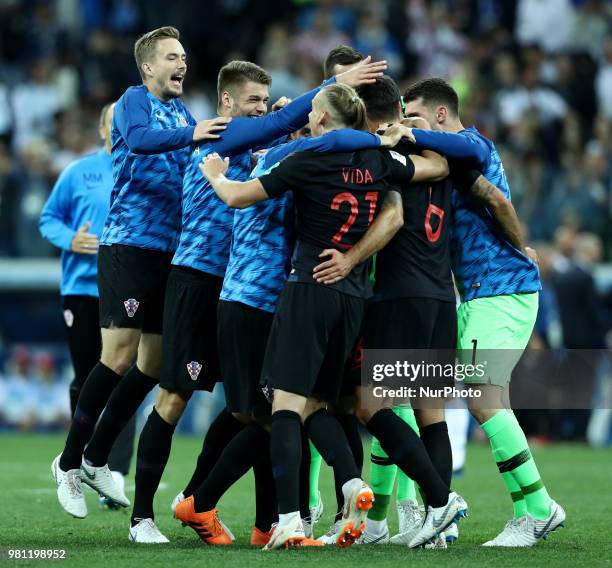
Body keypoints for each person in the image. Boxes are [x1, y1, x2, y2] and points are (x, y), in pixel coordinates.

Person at [117, 57, 389, 543]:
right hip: (208, 285)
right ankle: (151, 514)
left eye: (266, 102)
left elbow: (292, 140)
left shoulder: (287, 153)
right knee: (184, 398)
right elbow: (261, 167)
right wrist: (325, 102)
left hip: (263, 299)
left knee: (266, 412)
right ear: (227, 103)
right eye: (255, 102)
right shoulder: (224, 142)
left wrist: (311, 130)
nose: (265, 110)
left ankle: (262, 518)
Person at [199, 83, 467, 550]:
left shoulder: (307, 157)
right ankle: (416, 495)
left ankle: (290, 520)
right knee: (323, 404)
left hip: (309, 287)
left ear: (321, 119)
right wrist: (396, 139)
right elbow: (438, 165)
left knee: (285, 405)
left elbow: (239, 197)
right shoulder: (378, 161)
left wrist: (216, 174)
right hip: (354, 297)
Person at [174, 121, 407, 547]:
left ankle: (275, 515)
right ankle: (209, 503)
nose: (306, 128)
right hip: (250, 303)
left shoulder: (299, 160)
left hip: (281, 303)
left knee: (293, 411)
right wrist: (383, 141)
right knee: (264, 415)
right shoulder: (289, 158)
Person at [51, 25, 229, 521]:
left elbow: (203, 149)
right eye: (172, 56)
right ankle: (67, 463)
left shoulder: (182, 111)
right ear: (149, 66)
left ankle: (94, 456)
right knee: (117, 356)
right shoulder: (134, 102)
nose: (182, 64)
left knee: (151, 366)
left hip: (168, 252)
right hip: (128, 244)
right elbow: (141, 140)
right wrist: (195, 132)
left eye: (185, 56)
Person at [403, 77, 566, 547]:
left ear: (438, 115)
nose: (408, 125)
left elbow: (497, 199)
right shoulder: (448, 164)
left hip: (502, 286)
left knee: (482, 394)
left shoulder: (472, 144)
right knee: (459, 396)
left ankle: (536, 509)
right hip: (477, 293)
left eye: (414, 116)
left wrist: (522, 249)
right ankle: (526, 508)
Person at [40, 103, 136, 506]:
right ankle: (75, 462)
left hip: (128, 287)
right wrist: (71, 240)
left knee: (126, 377)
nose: (119, 131)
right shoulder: (78, 172)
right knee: (88, 376)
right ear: (101, 129)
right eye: (113, 124)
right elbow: (48, 218)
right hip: (83, 288)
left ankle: (112, 469)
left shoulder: (142, 171)